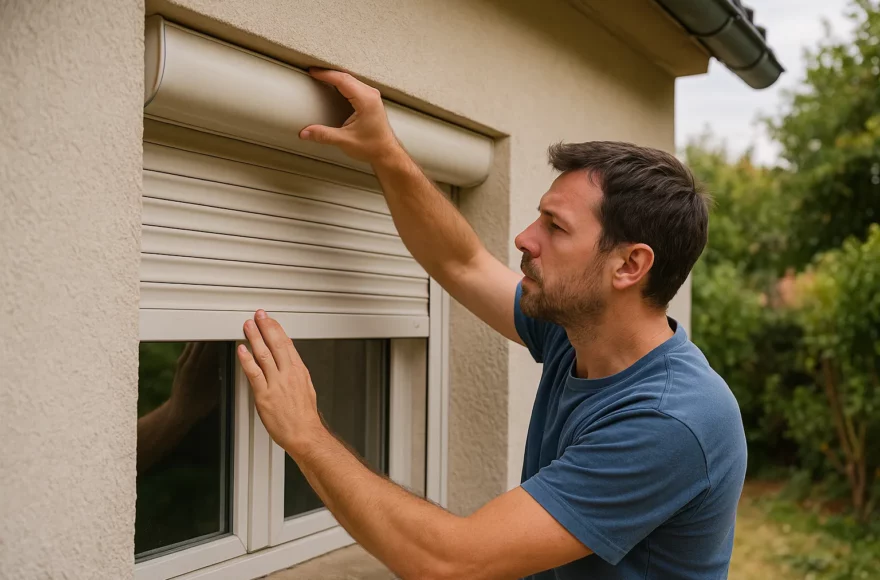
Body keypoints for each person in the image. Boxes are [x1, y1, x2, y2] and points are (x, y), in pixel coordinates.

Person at [237, 69, 747, 580]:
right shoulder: (576, 333)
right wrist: (385, 151)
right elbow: (462, 263)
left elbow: (450, 562)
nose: (524, 238)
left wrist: (306, 434)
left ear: (630, 265)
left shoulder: (671, 421)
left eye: (555, 226)